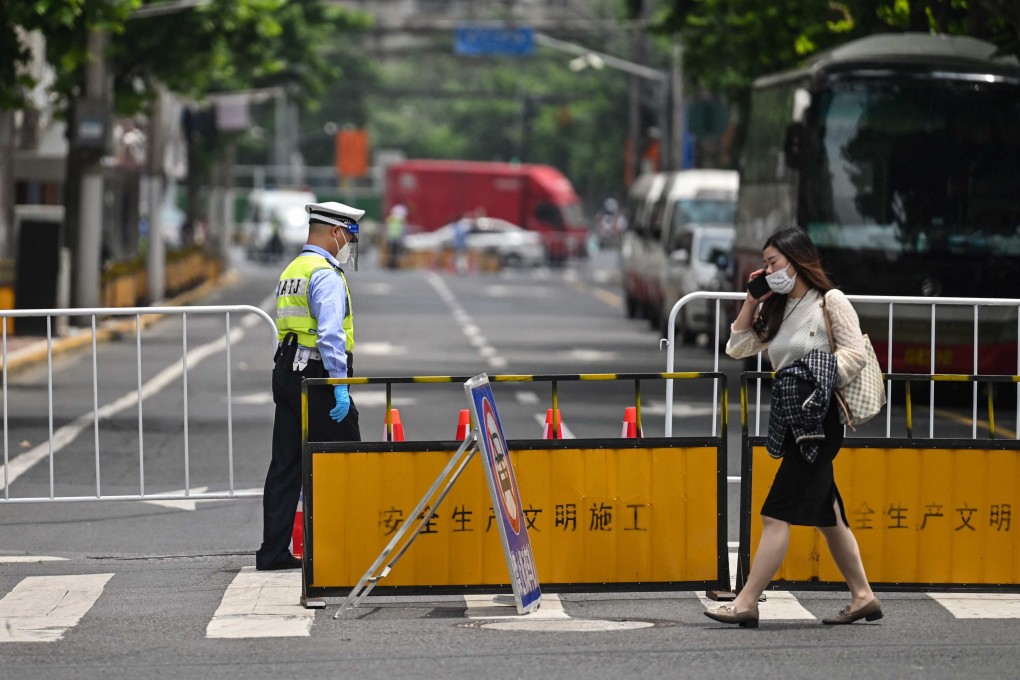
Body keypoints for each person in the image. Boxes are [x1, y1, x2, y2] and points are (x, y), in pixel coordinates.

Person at [705, 227, 882, 627]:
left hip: (819, 421)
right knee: (829, 516)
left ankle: (746, 601)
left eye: (773, 262)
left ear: (796, 258)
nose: (768, 270)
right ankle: (863, 596)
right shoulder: (780, 306)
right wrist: (753, 300)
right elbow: (737, 347)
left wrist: (811, 375)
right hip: (794, 422)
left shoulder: (830, 301)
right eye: (764, 264)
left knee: (774, 514)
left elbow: (854, 354)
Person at [255, 201, 363, 571]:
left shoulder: (293, 269)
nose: (349, 243)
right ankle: (350, 546)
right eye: (349, 235)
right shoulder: (325, 275)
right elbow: (330, 335)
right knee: (348, 461)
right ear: (335, 232)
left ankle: (272, 551)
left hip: (286, 373)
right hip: (316, 377)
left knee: (285, 465)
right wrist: (340, 385)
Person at [385, 204, 407, 270]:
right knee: (396, 252)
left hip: (392, 237)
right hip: (397, 238)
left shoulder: (391, 218)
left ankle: (391, 264)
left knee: (392, 251)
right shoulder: (400, 219)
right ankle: (394, 264)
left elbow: (388, 228)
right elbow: (403, 229)